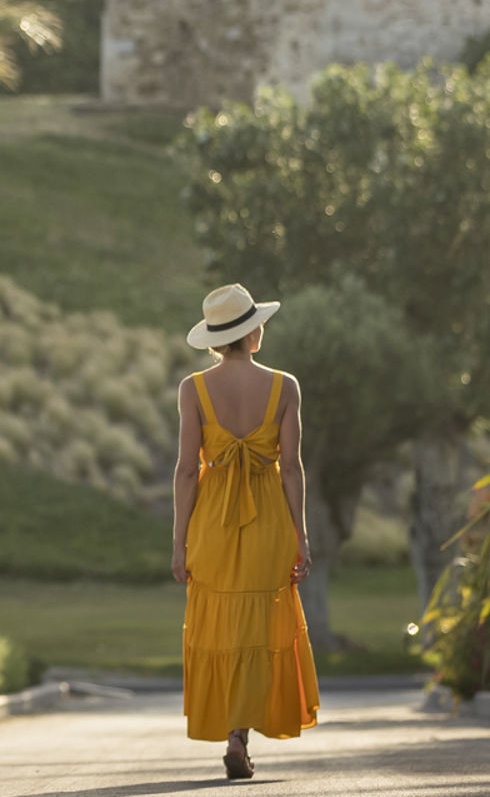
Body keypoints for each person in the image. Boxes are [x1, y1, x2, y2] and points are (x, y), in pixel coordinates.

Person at [173, 283, 319, 779]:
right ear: (251, 333)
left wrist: (179, 544)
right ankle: (241, 735)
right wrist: (302, 535)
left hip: (212, 523)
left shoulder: (192, 389)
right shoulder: (285, 386)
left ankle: (234, 729)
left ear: (216, 338)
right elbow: (293, 469)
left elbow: (186, 472)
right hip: (268, 519)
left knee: (223, 627)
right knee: (260, 626)